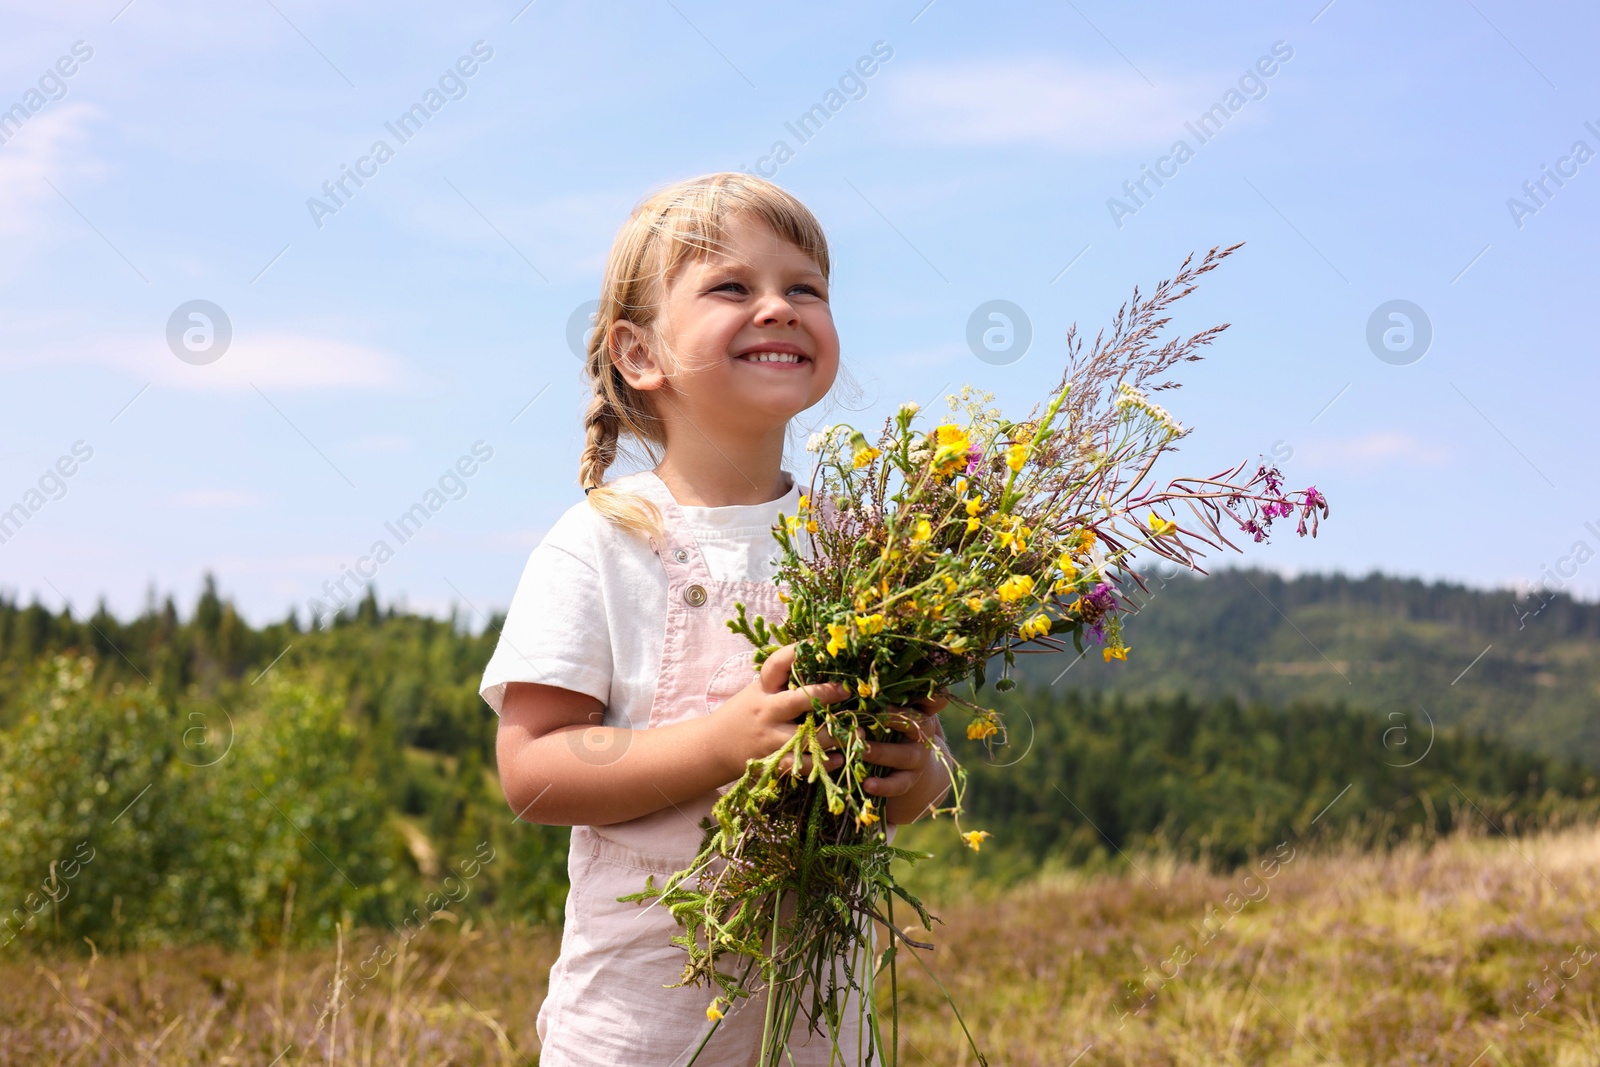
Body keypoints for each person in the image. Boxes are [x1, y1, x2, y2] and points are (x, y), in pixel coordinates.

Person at [479, 172, 954, 1066]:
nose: (777, 307)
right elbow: (532, 769)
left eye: (804, 288)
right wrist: (723, 743)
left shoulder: (861, 548)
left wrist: (911, 773)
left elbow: (918, 776)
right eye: (732, 287)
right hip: (635, 1033)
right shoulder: (602, 543)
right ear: (637, 352)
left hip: (820, 1038)